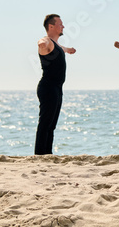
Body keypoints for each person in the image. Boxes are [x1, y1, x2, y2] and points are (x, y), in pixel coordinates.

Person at [35, 14, 76, 155]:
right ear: (51, 26)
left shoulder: (56, 45)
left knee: (51, 125)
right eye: (60, 24)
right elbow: (43, 41)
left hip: (57, 88)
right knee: (45, 123)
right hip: (48, 87)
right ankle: (39, 155)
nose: (63, 26)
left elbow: (60, 48)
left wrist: (68, 49)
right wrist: (42, 44)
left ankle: (47, 154)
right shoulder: (47, 41)